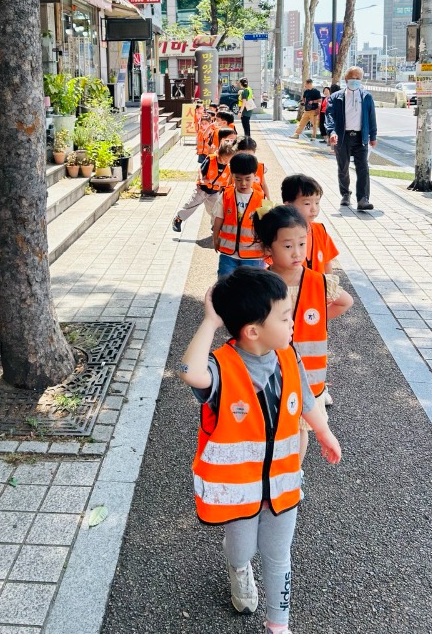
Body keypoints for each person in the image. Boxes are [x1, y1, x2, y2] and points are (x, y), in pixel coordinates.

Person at [179, 267, 341, 631]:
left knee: (278, 554)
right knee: (243, 550)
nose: (293, 323)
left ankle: (277, 624)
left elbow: (309, 398)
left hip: (283, 482)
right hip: (240, 492)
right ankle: (238, 568)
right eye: (285, 317)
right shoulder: (222, 367)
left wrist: (325, 432)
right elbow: (190, 371)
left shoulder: (288, 356)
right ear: (252, 331)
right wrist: (210, 321)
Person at [253, 205, 353, 462]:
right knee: (270, 424)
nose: (297, 252)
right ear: (268, 250)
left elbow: (345, 302)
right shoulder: (260, 286)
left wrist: (319, 320)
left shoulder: (319, 281)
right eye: (288, 246)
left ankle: (293, 476)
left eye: (301, 243)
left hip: (308, 377)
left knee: (300, 428)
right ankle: (268, 473)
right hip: (269, 372)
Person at [325, 66, 377, 211]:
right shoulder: (336, 97)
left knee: (363, 169)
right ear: (346, 79)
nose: (354, 80)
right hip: (343, 137)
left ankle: (363, 199)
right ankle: (345, 194)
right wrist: (332, 132)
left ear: (361, 80)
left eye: (357, 78)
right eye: (351, 78)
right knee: (343, 168)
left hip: (361, 137)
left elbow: (372, 117)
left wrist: (373, 136)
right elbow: (330, 116)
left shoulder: (367, 97)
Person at [212, 152, 266, 277]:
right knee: (226, 284)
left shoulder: (261, 198)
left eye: (248, 179)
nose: (243, 184)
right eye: (238, 179)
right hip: (228, 253)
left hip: (253, 255)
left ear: (255, 175)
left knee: (252, 288)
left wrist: (268, 246)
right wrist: (215, 237)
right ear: (232, 176)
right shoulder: (226, 196)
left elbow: (266, 225)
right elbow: (218, 219)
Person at [281, 174, 339, 274]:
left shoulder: (320, 231)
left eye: (317, 203)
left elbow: (327, 262)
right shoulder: (282, 233)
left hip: (318, 287)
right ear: (288, 205)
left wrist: (329, 285)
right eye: (307, 203)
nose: (314, 208)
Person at [172, 141, 234, 233]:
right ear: (219, 154)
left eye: (228, 160)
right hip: (202, 189)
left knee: (215, 209)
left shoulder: (228, 166)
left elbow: (228, 180)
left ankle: (215, 226)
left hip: (215, 191)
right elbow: (201, 169)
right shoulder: (211, 159)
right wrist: (201, 179)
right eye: (225, 159)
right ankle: (178, 218)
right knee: (192, 204)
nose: (226, 162)